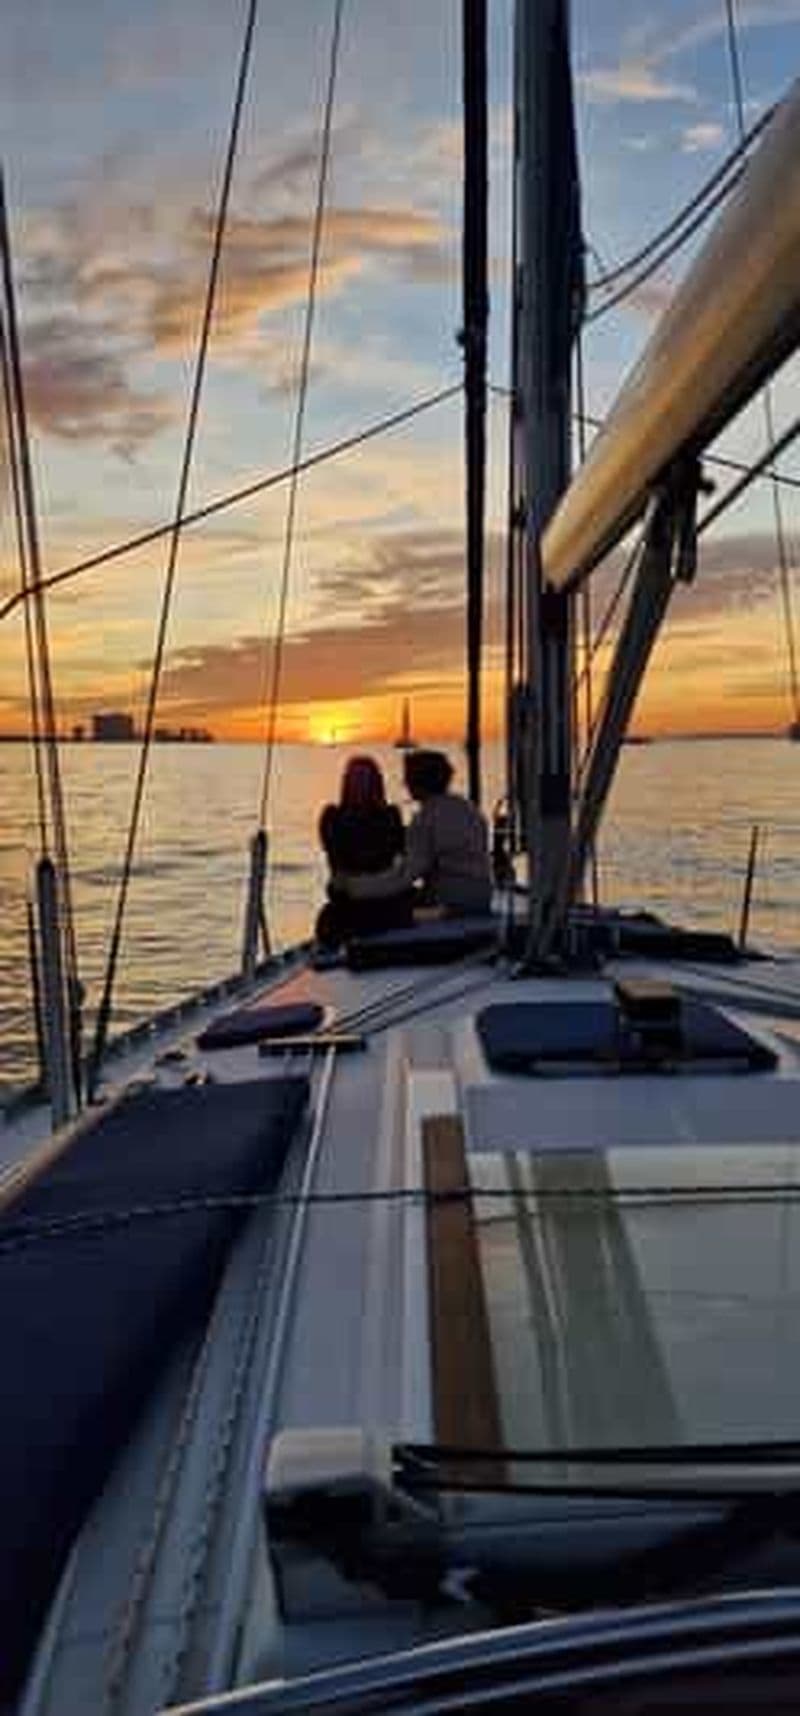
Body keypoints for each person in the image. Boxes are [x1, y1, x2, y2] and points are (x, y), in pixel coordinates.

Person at [337, 749, 492, 918]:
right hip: (481, 898)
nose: (405, 783)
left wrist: (353, 886)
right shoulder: (469, 809)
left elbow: (404, 876)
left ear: (417, 781)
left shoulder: (425, 820)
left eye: (407, 778)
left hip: (449, 903)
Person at [315, 756, 413, 947]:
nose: (358, 784)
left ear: (375, 783)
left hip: (384, 892)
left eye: (364, 779)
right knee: (331, 923)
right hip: (349, 896)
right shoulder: (332, 816)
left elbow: (401, 854)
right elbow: (337, 859)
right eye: (354, 778)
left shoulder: (390, 815)